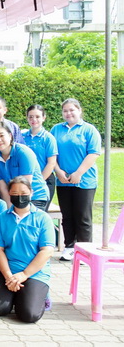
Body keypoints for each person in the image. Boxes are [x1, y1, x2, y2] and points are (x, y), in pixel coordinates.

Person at [0, 177, 55, 323]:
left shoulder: (43, 219)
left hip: (34, 272)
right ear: (9, 194)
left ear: (31, 193)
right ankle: (18, 294)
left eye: (23, 192)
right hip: (8, 270)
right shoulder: (2, 218)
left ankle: (39, 295)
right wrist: (9, 275)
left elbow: (46, 251)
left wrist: (24, 274)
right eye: (15, 193)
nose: (19, 197)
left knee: (29, 315)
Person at [50, 98, 102, 262]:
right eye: (65, 111)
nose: (68, 113)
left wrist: (78, 173)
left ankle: (86, 250)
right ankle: (69, 247)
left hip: (84, 181)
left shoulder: (89, 130)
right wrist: (58, 171)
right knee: (67, 216)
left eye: (72, 110)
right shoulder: (56, 129)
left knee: (83, 216)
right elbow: (51, 154)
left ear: (79, 110)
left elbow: (93, 153)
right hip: (63, 180)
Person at [0, 121, 48, 208]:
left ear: (10, 136)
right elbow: (3, 189)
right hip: (14, 197)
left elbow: (26, 184)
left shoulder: (23, 153)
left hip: (34, 196)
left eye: (2, 135)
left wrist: (18, 208)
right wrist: (10, 209)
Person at [23, 105, 58, 211]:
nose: (34, 120)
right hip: (26, 181)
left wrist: (38, 181)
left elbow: (51, 163)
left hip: (44, 180)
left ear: (44, 118)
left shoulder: (48, 138)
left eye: (37, 117)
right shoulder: (22, 136)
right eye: (31, 117)